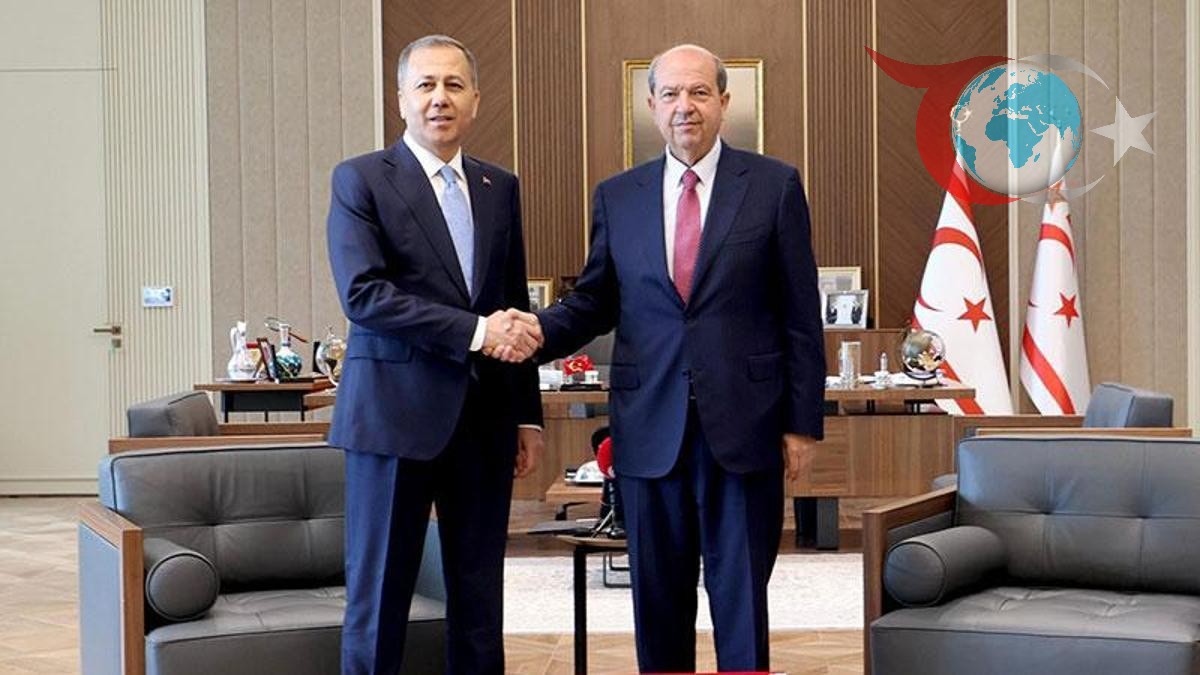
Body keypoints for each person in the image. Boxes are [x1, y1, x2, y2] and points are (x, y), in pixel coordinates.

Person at [522, 43, 826, 672]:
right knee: (657, 600)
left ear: (724, 102)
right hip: (648, 427)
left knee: (741, 597)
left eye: (699, 92)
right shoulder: (618, 196)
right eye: (671, 94)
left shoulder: (773, 186)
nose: (685, 106)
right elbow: (595, 301)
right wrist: (529, 334)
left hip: (746, 426)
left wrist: (802, 423)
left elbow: (800, 313)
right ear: (652, 105)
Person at [325, 34, 545, 675]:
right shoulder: (361, 179)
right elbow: (364, 296)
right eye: (425, 85)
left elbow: (510, 303)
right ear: (401, 99)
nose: (439, 98)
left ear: (476, 99)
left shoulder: (499, 186)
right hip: (391, 419)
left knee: (479, 598)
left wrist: (525, 415)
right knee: (379, 597)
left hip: (483, 421)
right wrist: (476, 332)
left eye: (453, 84)